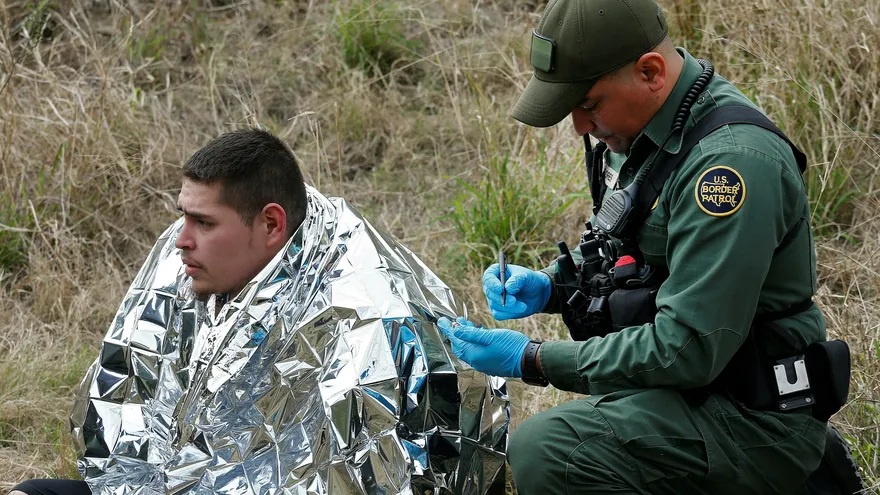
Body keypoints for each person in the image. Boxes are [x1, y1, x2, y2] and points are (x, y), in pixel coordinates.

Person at [438, 0, 859, 493]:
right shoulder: (664, 127)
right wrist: (553, 287)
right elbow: (642, 257)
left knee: (552, 451)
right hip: (704, 390)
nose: (577, 126)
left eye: (589, 104)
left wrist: (533, 359)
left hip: (754, 418)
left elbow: (685, 349)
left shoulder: (730, 168)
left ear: (651, 72)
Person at [12, 129, 509, 494]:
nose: (181, 240)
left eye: (203, 222)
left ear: (271, 223)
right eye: (182, 216)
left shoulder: (365, 318)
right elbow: (135, 393)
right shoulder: (193, 256)